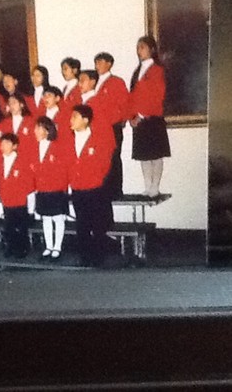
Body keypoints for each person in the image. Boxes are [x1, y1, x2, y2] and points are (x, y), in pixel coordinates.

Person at [66, 104, 114, 267]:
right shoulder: (69, 139)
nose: (70, 120)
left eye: (75, 116)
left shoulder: (97, 139)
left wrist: (97, 179)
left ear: (85, 120)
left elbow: (105, 163)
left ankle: (99, 257)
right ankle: (85, 257)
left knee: (97, 224)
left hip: (94, 188)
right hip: (77, 188)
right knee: (82, 223)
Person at [128, 35, 171, 197]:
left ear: (151, 49)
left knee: (155, 154)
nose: (139, 51)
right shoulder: (137, 71)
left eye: (142, 47)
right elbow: (132, 96)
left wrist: (141, 114)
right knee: (144, 155)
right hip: (138, 120)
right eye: (138, 47)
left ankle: (155, 187)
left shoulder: (157, 70)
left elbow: (157, 95)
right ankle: (147, 186)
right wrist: (131, 116)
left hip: (152, 118)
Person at [30, 116, 69, 260]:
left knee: (58, 218)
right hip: (41, 189)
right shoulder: (33, 148)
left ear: (47, 130)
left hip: (56, 189)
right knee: (46, 219)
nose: (35, 131)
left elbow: (63, 169)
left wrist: (64, 188)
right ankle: (49, 246)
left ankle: (57, 247)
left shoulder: (57, 147)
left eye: (38, 128)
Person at [94, 52, 129, 199]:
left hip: (112, 126)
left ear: (109, 64)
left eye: (101, 62)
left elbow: (125, 102)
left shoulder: (116, 82)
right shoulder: (93, 82)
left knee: (114, 157)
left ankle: (115, 190)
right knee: (99, 158)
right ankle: (101, 187)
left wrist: (123, 119)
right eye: (96, 62)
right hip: (97, 127)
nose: (98, 65)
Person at [0, 133, 34, 258]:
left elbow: (28, 180)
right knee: (9, 225)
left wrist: (23, 193)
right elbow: (0, 180)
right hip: (6, 199)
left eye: (7, 143)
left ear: (14, 146)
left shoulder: (22, 160)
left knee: (21, 225)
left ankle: (23, 247)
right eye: (2, 143)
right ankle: (10, 247)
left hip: (19, 199)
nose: (3, 146)